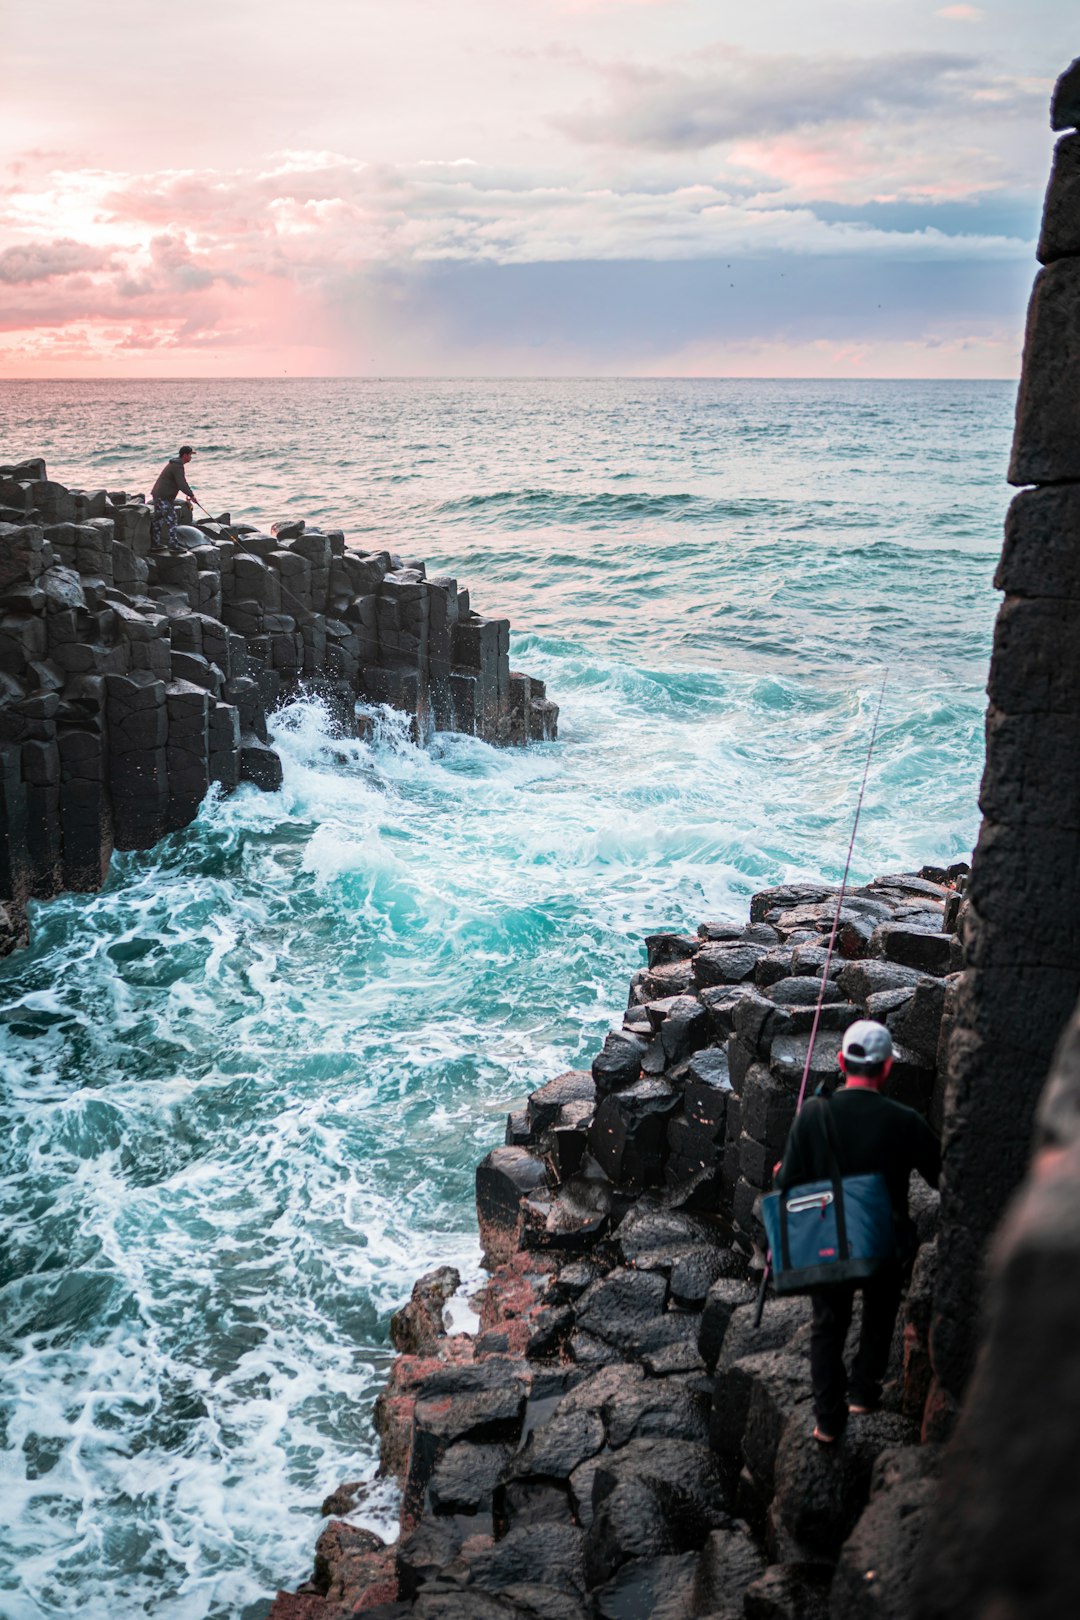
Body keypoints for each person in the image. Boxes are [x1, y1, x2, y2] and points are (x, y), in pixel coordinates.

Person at [776, 1019, 940, 1444]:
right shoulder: (905, 1120)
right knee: (881, 1311)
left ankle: (828, 1422)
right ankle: (864, 1392)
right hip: (884, 1243)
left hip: (829, 1240)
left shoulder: (814, 1113)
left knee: (828, 1324)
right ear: (886, 1068)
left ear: (840, 1062)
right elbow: (942, 1176)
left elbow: (787, 1184)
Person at [149, 446, 197, 551]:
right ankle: (173, 545)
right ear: (185, 455)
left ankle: (155, 544)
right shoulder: (177, 466)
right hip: (163, 497)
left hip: (159, 495)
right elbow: (181, 483)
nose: (191, 457)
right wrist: (191, 495)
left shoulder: (175, 464)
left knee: (159, 519)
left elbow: (180, 483)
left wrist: (189, 494)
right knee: (172, 519)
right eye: (190, 455)